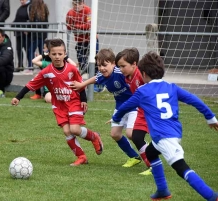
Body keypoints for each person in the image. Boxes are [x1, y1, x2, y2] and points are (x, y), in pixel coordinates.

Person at [111, 52, 218, 201]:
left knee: (182, 169)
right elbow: (194, 100)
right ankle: (162, 190)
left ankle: (212, 197)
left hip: (164, 137)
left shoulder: (142, 91)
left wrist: (115, 118)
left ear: (143, 73)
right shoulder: (171, 87)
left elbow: (124, 108)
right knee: (150, 152)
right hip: (172, 133)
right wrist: (210, 117)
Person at [11, 38, 103, 166]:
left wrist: (83, 100)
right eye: (54, 54)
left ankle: (94, 137)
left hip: (74, 102)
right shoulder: (46, 72)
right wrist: (18, 97)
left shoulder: (72, 69)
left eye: (60, 54)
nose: (57, 57)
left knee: (75, 129)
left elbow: (80, 84)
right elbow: (30, 85)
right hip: (59, 106)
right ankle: (81, 157)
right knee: (67, 131)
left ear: (65, 54)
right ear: (49, 55)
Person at [70, 48, 142, 168]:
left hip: (133, 106)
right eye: (99, 65)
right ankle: (134, 157)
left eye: (105, 65)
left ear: (114, 64)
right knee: (115, 134)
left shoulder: (121, 72)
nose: (102, 68)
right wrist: (82, 84)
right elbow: (96, 78)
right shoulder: (102, 75)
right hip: (120, 107)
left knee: (131, 133)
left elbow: (134, 75)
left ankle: (150, 154)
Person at [115, 47, 152, 175]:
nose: (120, 69)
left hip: (151, 110)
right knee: (135, 136)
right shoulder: (127, 77)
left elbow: (154, 87)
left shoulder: (142, 75)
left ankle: (155, 163)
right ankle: (152, 165)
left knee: (157, 138)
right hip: (142, 110)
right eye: (119, 66)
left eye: (123, 66)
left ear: (134, 64)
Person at [66, 0, 101, 92]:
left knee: (96, 61)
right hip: (80, 41)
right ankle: (85, 83)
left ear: (83, 3)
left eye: (79, 4)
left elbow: (89, 25)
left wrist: (76, 26)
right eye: (74, 4)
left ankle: (97, 85)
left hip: (92, 40)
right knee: (82, 63)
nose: (76, 6)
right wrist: (75, 26)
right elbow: (69, 26)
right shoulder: (70, 13)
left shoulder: (88, 10)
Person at [28, 0, 49, 72]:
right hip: (42, 33)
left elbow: (32, 21)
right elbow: (46, 21)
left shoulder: (32, 7)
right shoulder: (44, 6)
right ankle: (42, 67)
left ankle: (31, 67)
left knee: (32, 50)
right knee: (41, 51)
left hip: (36, 33)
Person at [13, 0, 31, 72]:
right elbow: (17, 19)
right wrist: (13, 24)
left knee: (27, 49)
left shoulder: (30, 6)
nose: (21, 1)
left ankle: (30, 65)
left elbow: (30, 19)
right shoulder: (21, 8)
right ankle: (20, 65)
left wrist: (28, 29)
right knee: (19, 49)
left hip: (25, 33)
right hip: (18, 32)